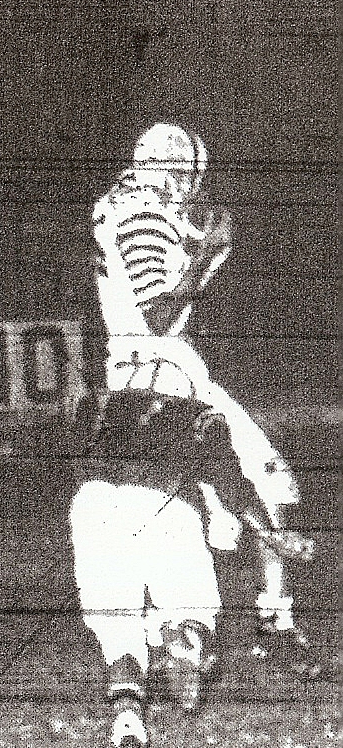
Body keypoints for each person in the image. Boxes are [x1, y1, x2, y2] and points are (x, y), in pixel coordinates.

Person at [92, 122, 306, 641]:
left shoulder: (125, 204)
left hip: (144, 367)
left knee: (217, 491)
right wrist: (209, 254)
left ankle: (247, 614)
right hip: (159, 368)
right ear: (171, 170)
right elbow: (160, 313)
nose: (191, 188)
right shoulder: (142, 213)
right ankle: (262, 615)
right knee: (261, 480)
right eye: (186, 175)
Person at [69, 357, 315, 748]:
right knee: (193, 606)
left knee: (116, 625)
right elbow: (233, 486)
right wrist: (272, 535)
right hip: (161, 503)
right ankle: (183, 639)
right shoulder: (200, 417)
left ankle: (128, 717)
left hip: (90, 505)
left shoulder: (98, 405)